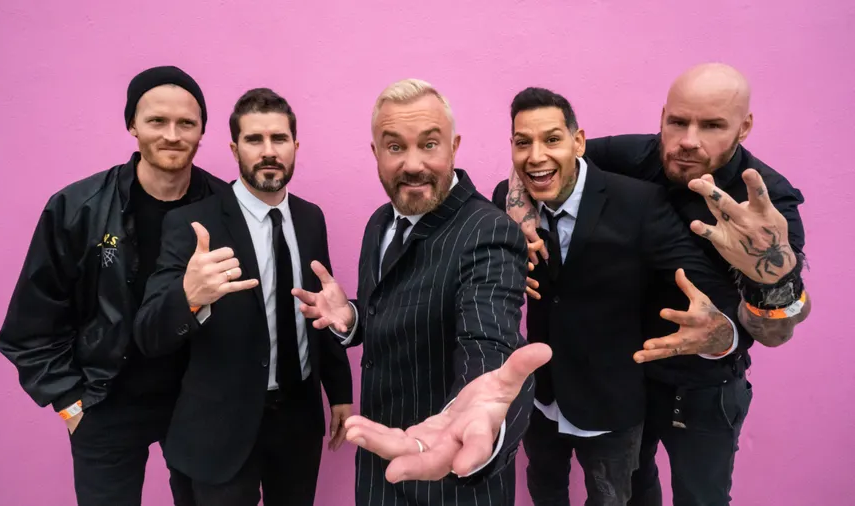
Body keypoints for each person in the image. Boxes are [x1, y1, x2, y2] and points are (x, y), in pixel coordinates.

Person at [499, 63, 811, 505]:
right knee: (635, 492)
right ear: (663, 116)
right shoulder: (639, 155)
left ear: (744, 127)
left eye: (712, 126)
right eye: (678, 122)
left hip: (702, 384)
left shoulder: (770, 204)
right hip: (630, 374)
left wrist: (765, 285)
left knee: (700, 498)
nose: (688, 140)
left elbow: (778, 330)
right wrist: (520, 210)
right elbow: (548, 157)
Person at [291, 78, 545, 506]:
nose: (412, 164)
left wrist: (477, 417)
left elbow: (487, 338)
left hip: (450, 483)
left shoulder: (489, 231)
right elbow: (396, 313)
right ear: (375, 152)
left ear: (453, 147)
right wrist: (352, 320)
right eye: (395, 147)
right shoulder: (379, 222)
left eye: (429, 144)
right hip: (379, 473)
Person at [0, 66, 225, 506]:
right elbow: (30, 323)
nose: (172, 135)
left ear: (202, 131)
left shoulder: (225, 207)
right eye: (157, 121)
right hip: (105, 402)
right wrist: (69, 401)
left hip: (197, 403)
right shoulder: (77, 208)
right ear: (132, 125)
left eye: (186, 123)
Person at [133, 88, 354, 506]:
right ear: (235, 149)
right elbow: (149, 333)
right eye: (254, 139)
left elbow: (321, 307)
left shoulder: (311, 218)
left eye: (279, 139)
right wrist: (189, 297)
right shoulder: (192, 223)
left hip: (298, 421)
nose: (268, 151)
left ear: (295, 146)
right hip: (220, 429)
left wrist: (340, 392)